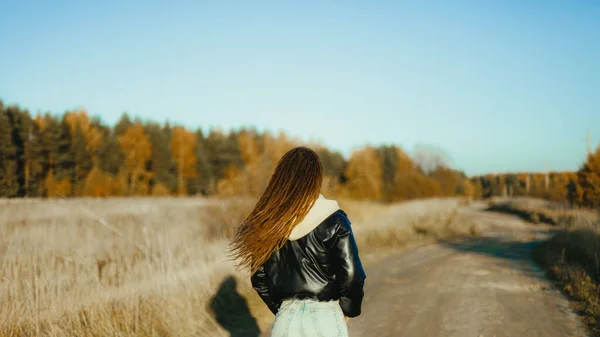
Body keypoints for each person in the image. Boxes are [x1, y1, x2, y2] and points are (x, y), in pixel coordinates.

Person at [230, 146, 366, 337]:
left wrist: (284, 309)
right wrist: (349, 310)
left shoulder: (269, 221)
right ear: (315, 179)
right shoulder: (334, 219)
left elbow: (259, 278)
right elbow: (352, 275)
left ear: (281, 178)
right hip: (326, 319)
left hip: (286, 321)